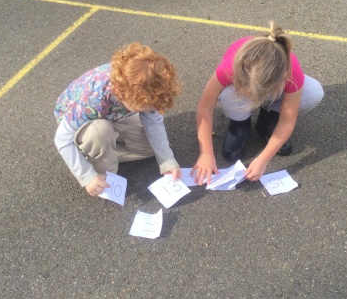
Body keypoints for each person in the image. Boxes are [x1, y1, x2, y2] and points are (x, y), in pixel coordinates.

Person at [192, 22, 324, 184]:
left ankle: (269, 119)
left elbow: (287, 121)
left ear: (282, 78)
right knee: (228, 95)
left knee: (313, 92)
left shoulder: (291, 71)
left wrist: (263, 159)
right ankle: (240, 124)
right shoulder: (229, 67)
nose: (254, 99)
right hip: (243, 87)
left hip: (273, 86)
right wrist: (206, 153)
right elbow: (205, 108)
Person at [54, 42, 182, 197]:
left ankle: (105, 148)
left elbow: (153, 122)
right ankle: (100, 166)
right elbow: (62, 140)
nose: (149, 111)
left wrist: (167, 160)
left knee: (150, 147)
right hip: (84, 126)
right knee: (100, 132)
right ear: (119, 93)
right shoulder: (91, 100)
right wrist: (87, 176)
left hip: (114, 117)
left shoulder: (143, 90)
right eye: (143, 109)